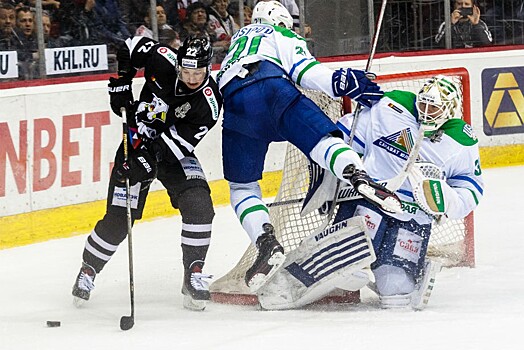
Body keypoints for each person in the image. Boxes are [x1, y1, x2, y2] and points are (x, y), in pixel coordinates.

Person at [217, 0, 401, 292]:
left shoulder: (236, 43)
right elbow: (305, 71)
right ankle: (358, 176)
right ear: (279, 21)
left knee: (242, 188)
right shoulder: (281, 35)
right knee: (323, 142)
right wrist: (343, 81)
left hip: (236, 107)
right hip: (272, 91)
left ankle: (266, 243)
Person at [72, 35, 223, 311]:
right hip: (135, 144)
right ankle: (88, 270)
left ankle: (193, 274)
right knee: (118, 220)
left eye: (198, 72)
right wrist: (122, 80)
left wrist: (148, 159)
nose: (192, 78)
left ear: (208, 68)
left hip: (171, 154)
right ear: (178, 65)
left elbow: (178, 145)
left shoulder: (208, 103)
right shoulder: (162, 57)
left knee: (200, 206)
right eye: (187, 71)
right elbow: (129, 46)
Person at [329, 75, 484, 309]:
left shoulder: (461, 141)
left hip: (414, 217)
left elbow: (471, 189)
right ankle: (336, 263)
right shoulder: (390, 107)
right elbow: (347, 137)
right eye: (424, 103)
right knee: (348, 264)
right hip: (371, 199)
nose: (427, 111)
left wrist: (446, 201)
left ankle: (404, 274)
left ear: (449, 111)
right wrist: (341, 168)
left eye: (435, 107)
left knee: (396, 290)